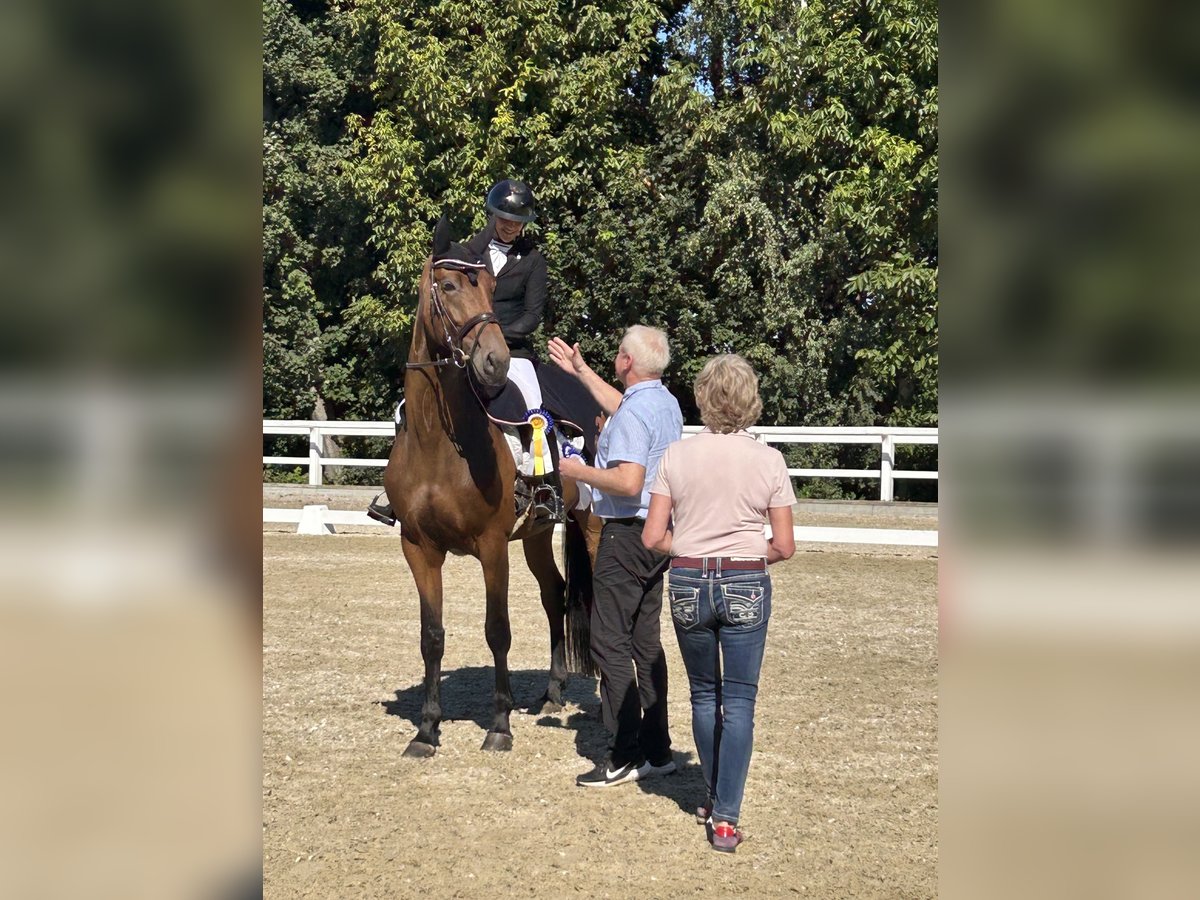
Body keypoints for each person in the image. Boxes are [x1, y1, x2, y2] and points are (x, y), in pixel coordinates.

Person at [641, 354, 796, 853]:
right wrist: (745, 555)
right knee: (740, 701)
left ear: (703, 398)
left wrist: (691, 548)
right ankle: (726, 818)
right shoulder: (768, 460)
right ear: (750, 399)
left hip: (688, 579)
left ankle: (711, 797)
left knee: (704, 695)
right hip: (745, 579)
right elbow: (784, 546)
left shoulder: (676, 456)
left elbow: (652, 536)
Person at [368, 178, 560, 526]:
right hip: (467, 347)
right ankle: (397, 489)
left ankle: (542, 485)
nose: (510, 225)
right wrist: (471, 336)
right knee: (410, 406)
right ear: (493, 214)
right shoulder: (470, 252)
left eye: (517, 221)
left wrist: (494, 334)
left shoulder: (533, 260)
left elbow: (532, 315)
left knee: (531, 405)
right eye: (504, 218)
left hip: (511, 350)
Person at [548, 326, 683, 788]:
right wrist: (581, 371)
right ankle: (657, 749)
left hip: (624, 534)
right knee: (645, 642)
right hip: (655, 535)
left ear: (627, 362)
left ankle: (624, 753)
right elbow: (622, 406)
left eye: (619, 352)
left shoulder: (634, 412)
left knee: (608, 642)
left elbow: (627, 482)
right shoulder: (662, 402)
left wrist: (578, 470)